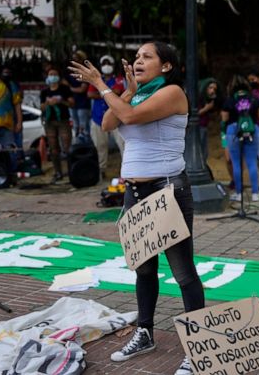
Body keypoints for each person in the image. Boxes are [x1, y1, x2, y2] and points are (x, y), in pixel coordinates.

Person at [69, 42, 203, 375]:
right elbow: (109, 123)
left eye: (147, 57)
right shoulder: (137, 95)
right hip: (134, 192)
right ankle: (145, 332)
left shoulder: (172, 93)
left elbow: (126, 117)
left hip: (166, 189)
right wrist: (126, 91)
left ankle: (198, 347)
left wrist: (101, 85)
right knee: (143, 269)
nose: (138, 61)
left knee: (182, 271)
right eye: (137, 56)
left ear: (167, 66)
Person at [222, 75, 259, 202]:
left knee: (236, 163)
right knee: (251, 162)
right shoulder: (255, 99)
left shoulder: (229, 100)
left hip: (233, 130)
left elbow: (224, 119)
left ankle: (239, 194)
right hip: (252, 130)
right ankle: (255, 194)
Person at [88, 55, 126, 177]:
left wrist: (101, 92)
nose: (106, 66)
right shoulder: (96, 79)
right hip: (98, 117)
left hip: (117, 117)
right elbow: (90, 94)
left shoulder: (119, 79)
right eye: (104, 63)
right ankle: (101, 171)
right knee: (100, 146)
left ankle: (126, 171)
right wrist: (108, 94)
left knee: (123, 144)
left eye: (108, 63)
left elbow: (118, 92)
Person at [40, 67, 74, 182]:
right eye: (50, 74)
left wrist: (61, 101)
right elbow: (42, 107)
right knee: (53, 148)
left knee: (67, 147)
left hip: (63, 120)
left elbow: (72, 103)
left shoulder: (64, 89)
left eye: (55, 74)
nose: (52, 76)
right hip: (50, 122)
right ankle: (58, 172)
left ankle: (71, 171)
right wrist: (48, 103)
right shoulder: (44, 92)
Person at [69, 50, 92, 141]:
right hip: (73, 103)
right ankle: (78, 144)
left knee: (84, 126)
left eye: (76, 59)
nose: (74, 61)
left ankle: (86, 144)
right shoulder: (71, 72)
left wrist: (70, 88)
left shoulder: (85, 72)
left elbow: (82, 89)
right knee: (75, 126)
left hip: (83, 104)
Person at [197, 78, 219, 163]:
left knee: (204, 152)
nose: (213, 91)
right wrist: (206, 108)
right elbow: (194, 114)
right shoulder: (198, 98)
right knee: (200, 152)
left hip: (204, 127)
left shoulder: (208, 99)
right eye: (210, 88)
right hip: (198, 128)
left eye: (214, 89)